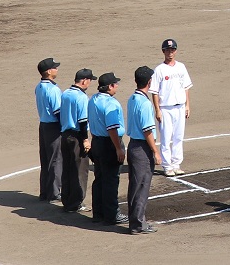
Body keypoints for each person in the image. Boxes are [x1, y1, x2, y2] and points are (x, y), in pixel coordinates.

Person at [87, 73, 128, 226]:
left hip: (97, 142)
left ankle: (98, 213)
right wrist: (118, 148)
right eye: (115, 83)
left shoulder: (93, 100)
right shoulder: (111, 103)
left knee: (99, 179)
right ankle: (112, 215)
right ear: (110, 86)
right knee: (111, 180)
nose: (117, 86)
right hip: (109, 144)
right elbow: (112, 129)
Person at [125, 66, 161, 234]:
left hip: (133, 145)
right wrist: (155, 151)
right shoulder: (145, 103)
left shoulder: (132, 98)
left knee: (134, 186)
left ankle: (136, 221)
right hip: (141, 148)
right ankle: (138, 224)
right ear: (149, 82)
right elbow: (147, 131)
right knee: (141, 186)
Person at [150, 38, 193, 175]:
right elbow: (155, 92)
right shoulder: (159, 70)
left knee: (178, 137)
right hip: (166, 108)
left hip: (180, 106)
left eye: (172, 50)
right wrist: (157, 110)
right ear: (163, 51)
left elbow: (186, 87)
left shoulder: (181, 67)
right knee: (166, 137)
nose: (170, 52)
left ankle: (176, 163)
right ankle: (167, 166)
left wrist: (187, 105)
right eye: (168, 50)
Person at [59, 68, 95, 214]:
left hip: (65, 135)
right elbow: (82, 121)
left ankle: (67, 201)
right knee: (80, 171)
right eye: (90, 80)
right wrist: (85, 139)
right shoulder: (81, 97)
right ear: (84, 80)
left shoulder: (66, 93)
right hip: (76, 137)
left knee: (67, 169)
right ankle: (76, 203)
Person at [34, 57, 63, 203]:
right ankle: (54, 192)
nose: (56, 69)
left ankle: (44, 191)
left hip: (43, 125)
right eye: (54, 67)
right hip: (53, 127)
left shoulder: (39, 86)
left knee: (45, 159)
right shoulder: (53, 89)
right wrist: (64, 128)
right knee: (56, 159)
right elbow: (58, 112)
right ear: (48, 71)